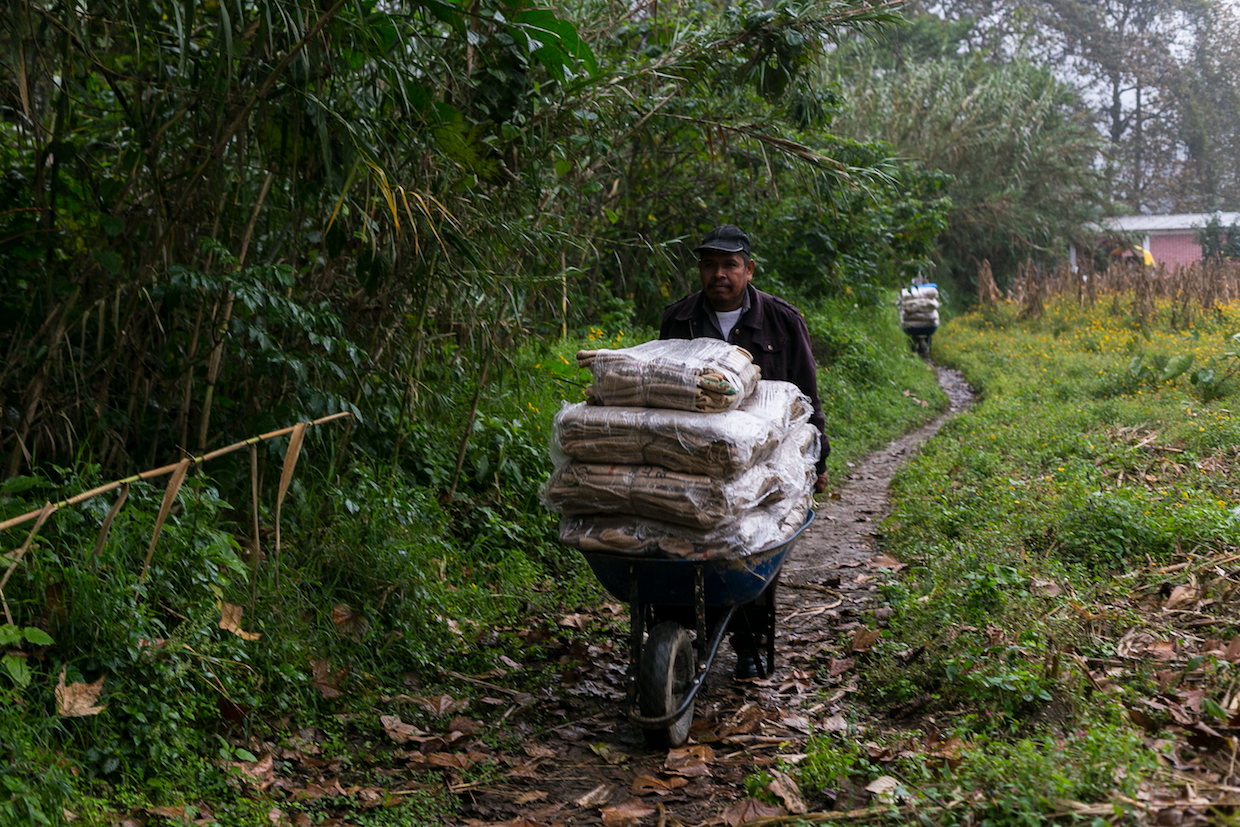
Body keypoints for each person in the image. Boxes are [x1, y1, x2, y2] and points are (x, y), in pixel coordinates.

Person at [659, 224, 830, 679]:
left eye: (730, 265)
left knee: (754, 543)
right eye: (710, 265)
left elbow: (808, 397)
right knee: (679, 538)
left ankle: (749, 641)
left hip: (762, 464)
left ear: (748, 270)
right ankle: (676, 627)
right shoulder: (678, 321)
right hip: (693, 457)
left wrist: (819, 461)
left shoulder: (782, 321)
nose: (719, 274)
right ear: (699, 269)